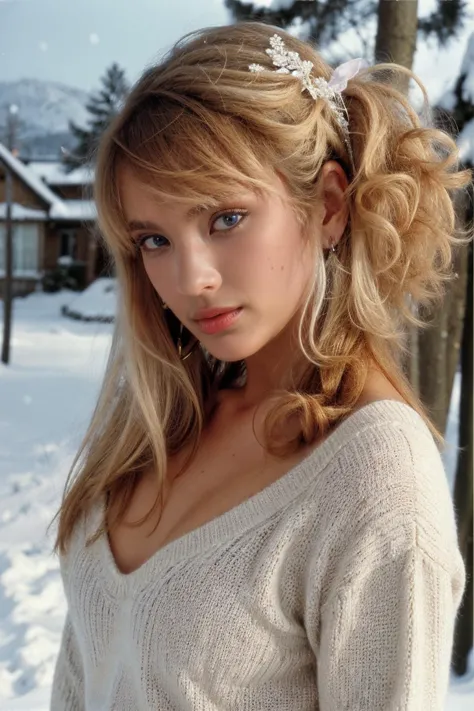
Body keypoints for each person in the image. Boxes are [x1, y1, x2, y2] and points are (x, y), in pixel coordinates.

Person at [49, 21, 471, 711]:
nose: (191, 279)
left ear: (328, 205)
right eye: (154, 238)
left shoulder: (375, 481)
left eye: (225, 219)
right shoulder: (168, 419)